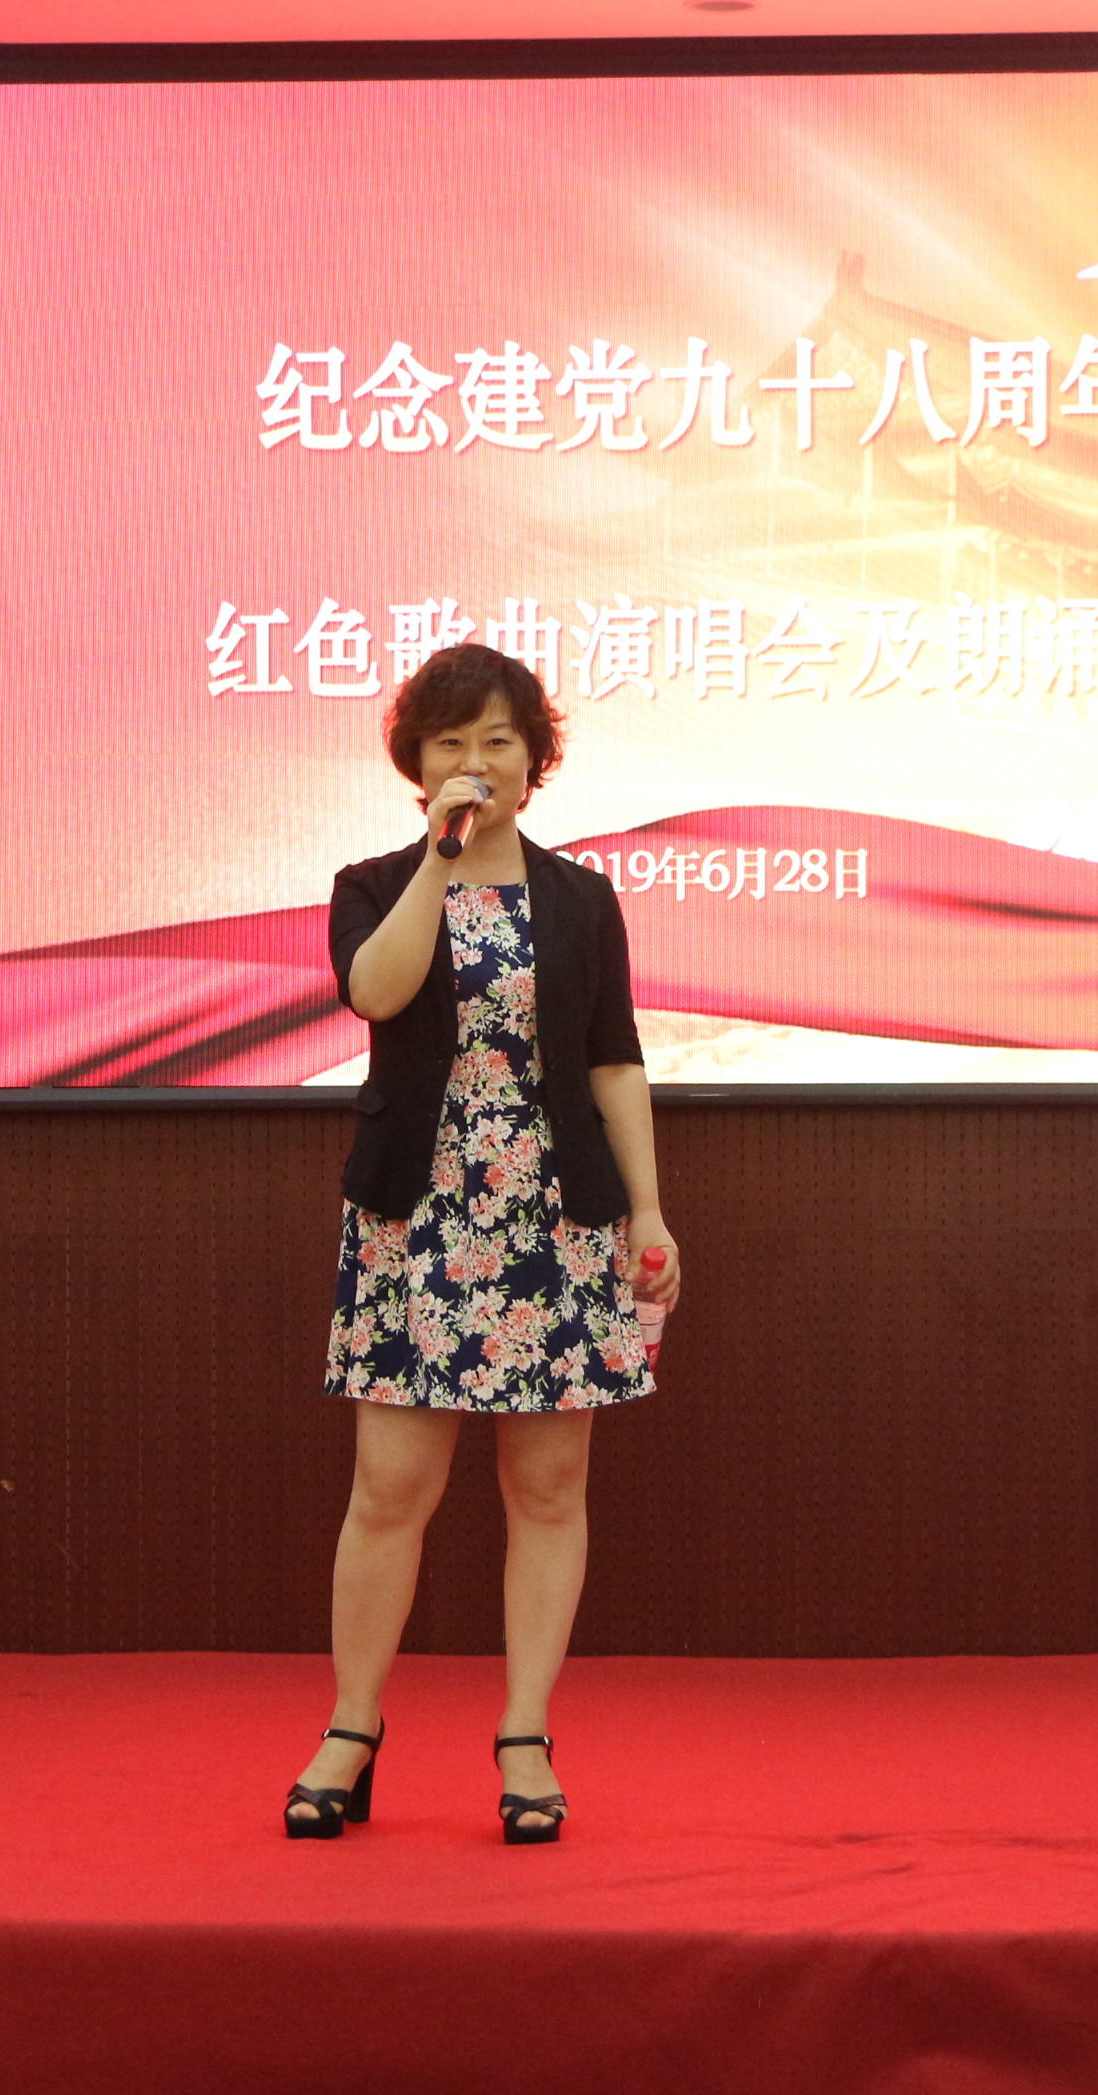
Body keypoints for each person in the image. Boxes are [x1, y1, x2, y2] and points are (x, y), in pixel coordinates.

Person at [283, 643, 682, 1847]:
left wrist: (648, 1211)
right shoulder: (372, 883)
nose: (477, 760)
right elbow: (375, 993)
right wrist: (439, 863)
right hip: (418, 1219)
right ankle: (351, 1730)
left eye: (499, 740)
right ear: (418, 762)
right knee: (390, 1490)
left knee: (548, 1489)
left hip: (555, 1217)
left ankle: (524, 1737)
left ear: (534, 757)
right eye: (452, 742)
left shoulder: (582, 900)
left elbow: (614, 1060)